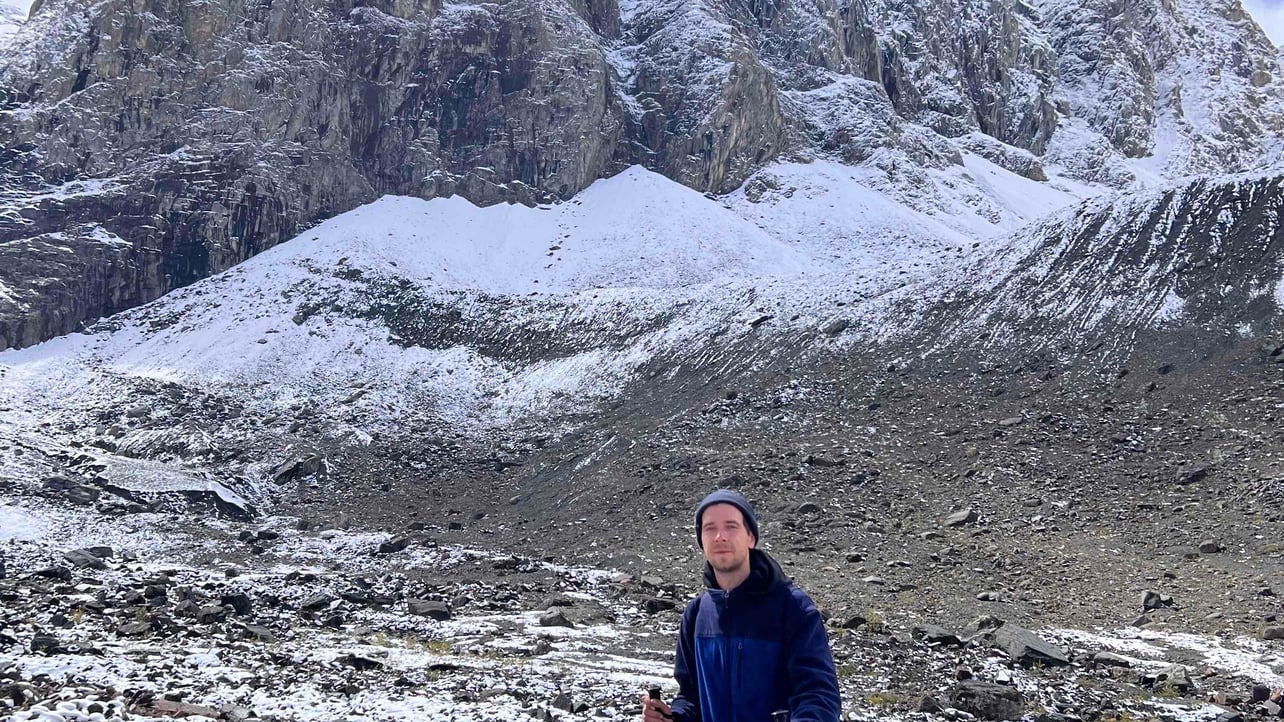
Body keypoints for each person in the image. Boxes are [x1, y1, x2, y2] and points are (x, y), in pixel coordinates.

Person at [641, 489, 841, 722]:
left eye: (731, 526)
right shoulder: (696, 615)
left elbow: (819, 695)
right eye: (710, 528)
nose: (720, 537)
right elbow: (690, 696)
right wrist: (672, 717)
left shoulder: (792, 607)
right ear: (701, 540)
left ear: (751, 538)